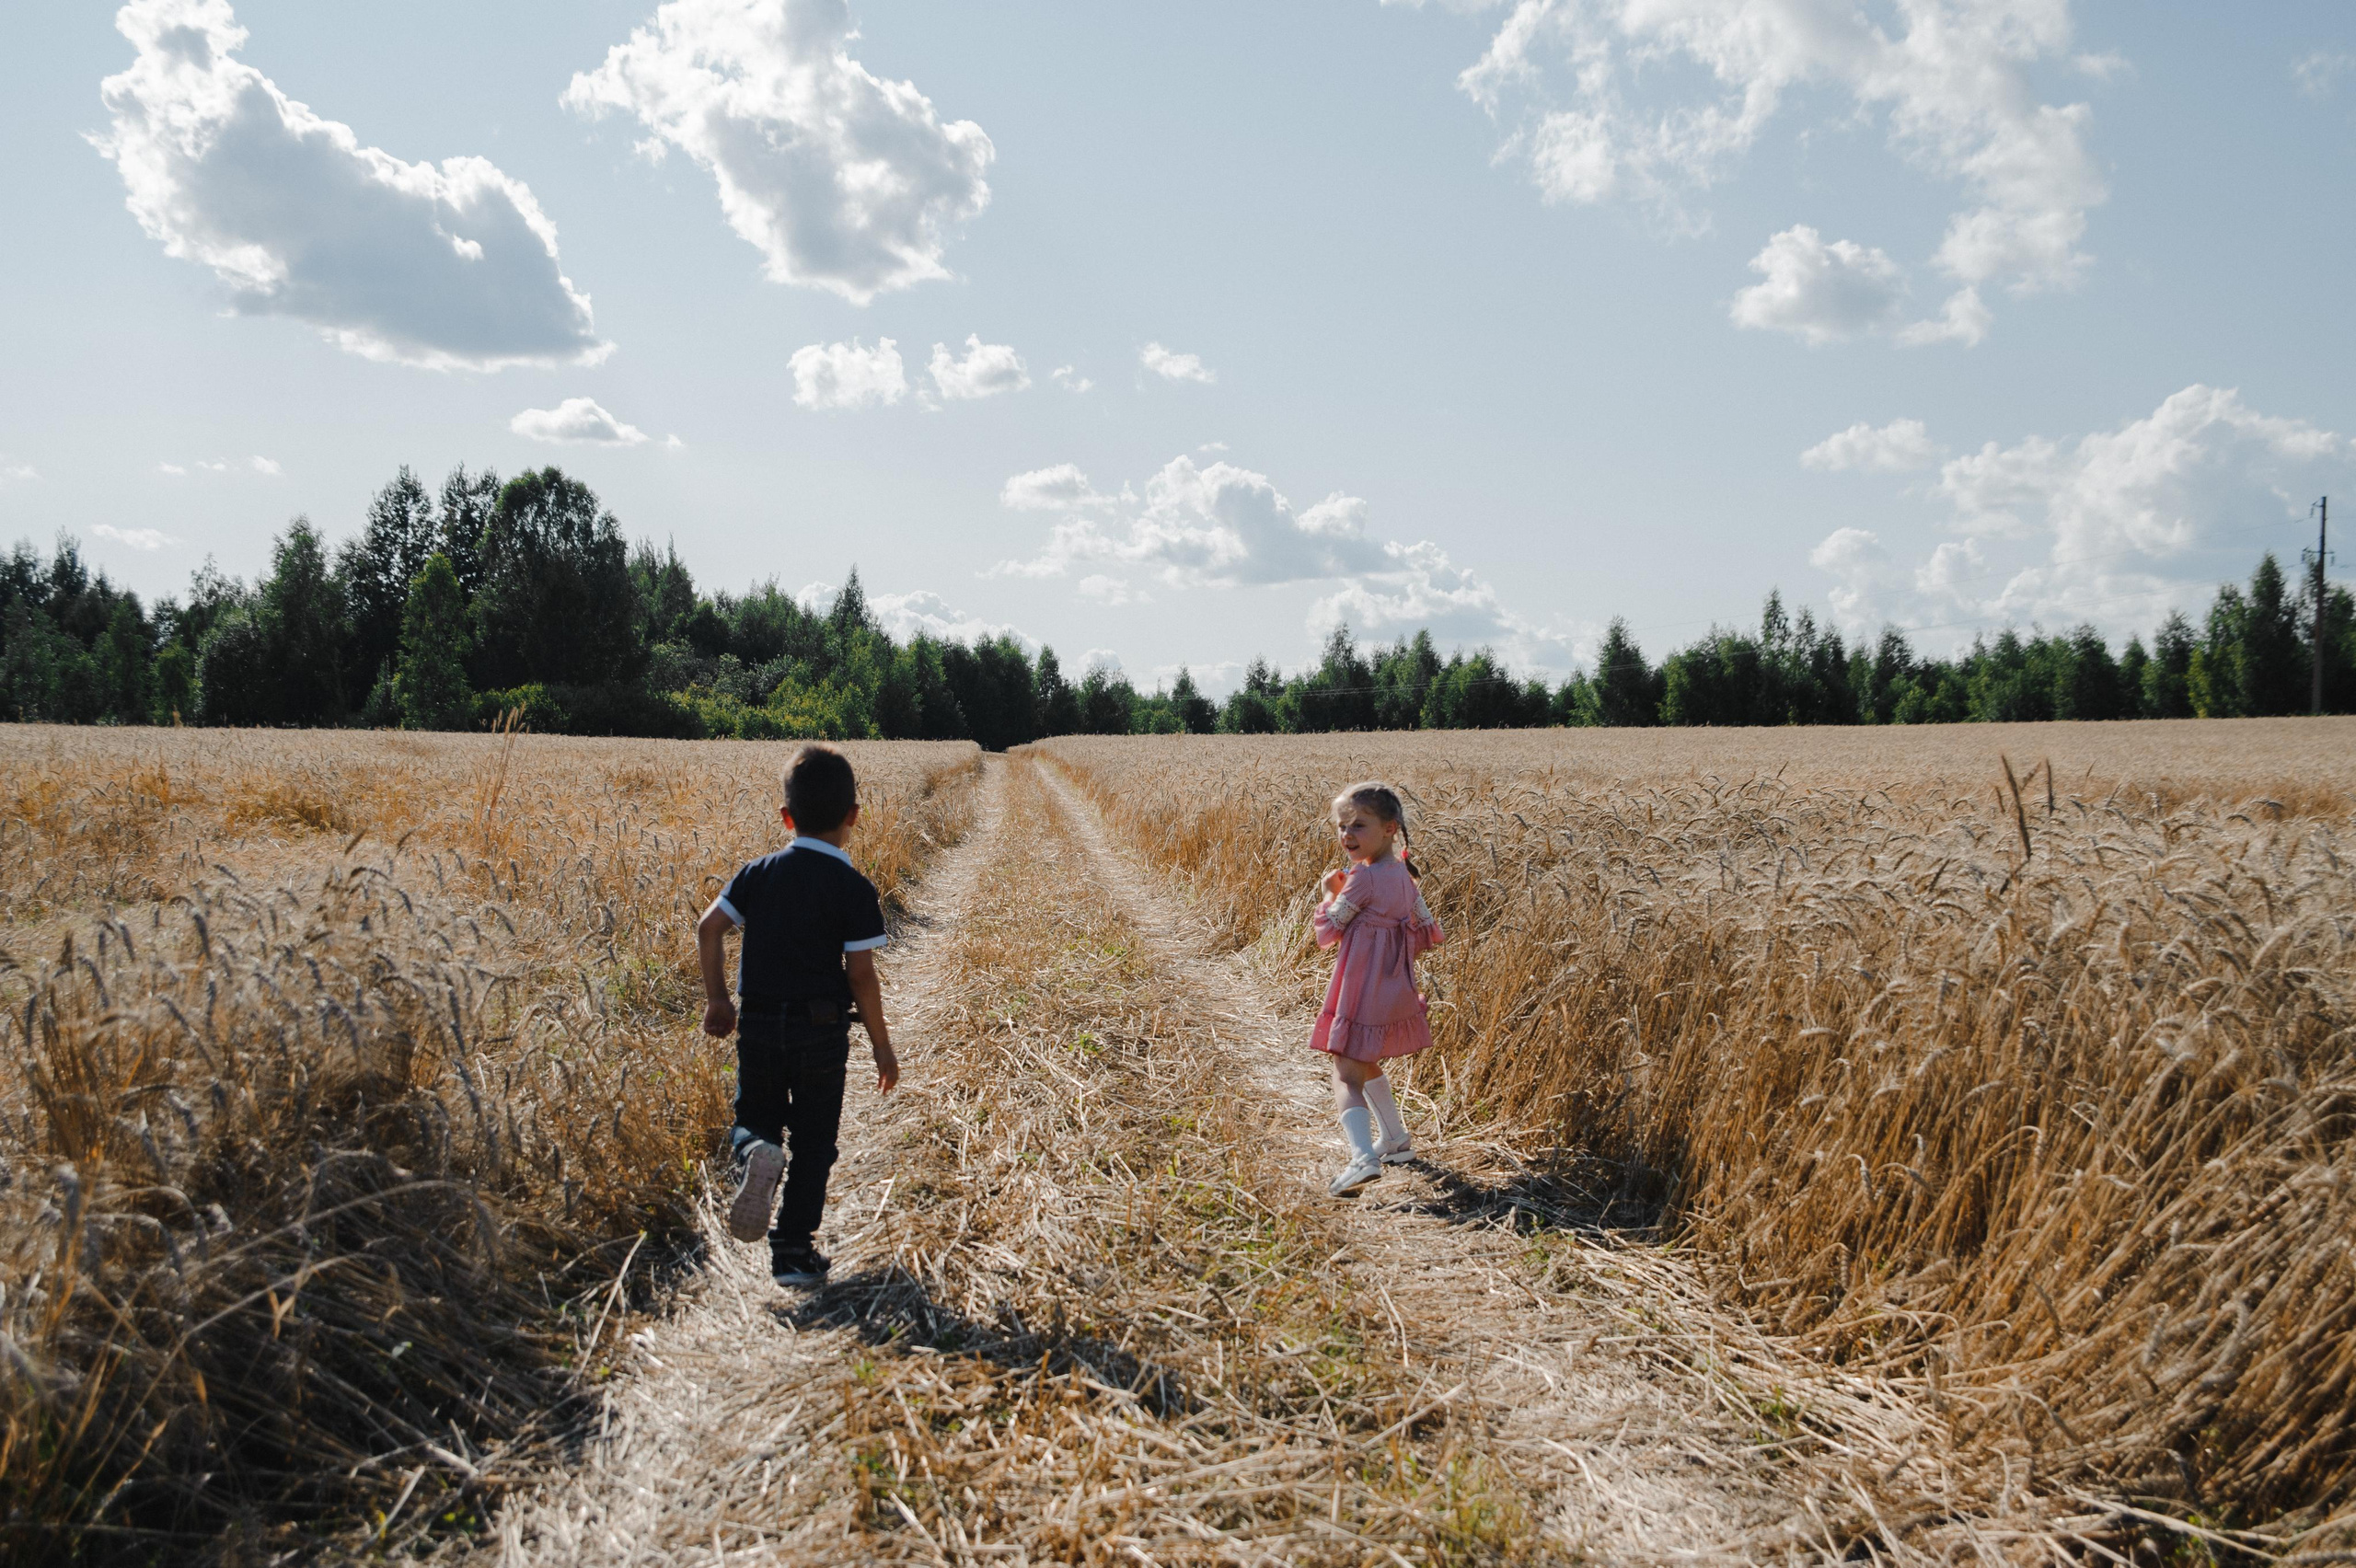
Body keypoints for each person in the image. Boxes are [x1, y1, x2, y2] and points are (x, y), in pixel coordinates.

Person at [698, 744, 899, 1286]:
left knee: (753, 1118)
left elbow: (709, 927)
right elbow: (860, 976)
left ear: (786, 818)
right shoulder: (854, 889)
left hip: (759, 1023)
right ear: (854, 817)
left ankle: (756, 1152)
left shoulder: (756, 873)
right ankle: (792, 1254)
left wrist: (719, 999)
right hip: (822, 1030)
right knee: (814, 1142)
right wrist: (881, 1044)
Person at [1310, 781, 1445, 1196]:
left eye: (1358, 825)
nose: (1347, 835)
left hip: (1361, 985)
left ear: (1390, 828)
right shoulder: (1404, 875)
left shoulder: (1363, 878)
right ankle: (1396, 1141)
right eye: (1342, 826)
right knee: (1366, 1061)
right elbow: (1426, 932)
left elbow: (1329, 931)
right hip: (1393, 986)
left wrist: (1329, 894)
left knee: (1344, 1073)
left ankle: (1362, 1157)